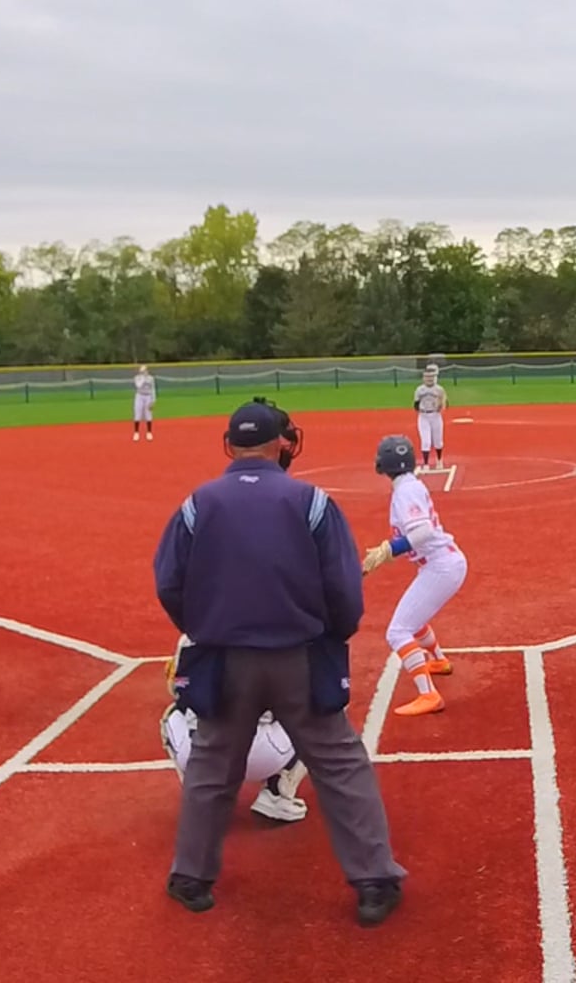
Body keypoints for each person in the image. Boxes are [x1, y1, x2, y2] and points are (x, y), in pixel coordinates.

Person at [153, 397, 405, 925]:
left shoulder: (199, 503)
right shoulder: (311, 501)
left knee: (211, 766)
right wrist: (332, 634)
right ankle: (374, 881)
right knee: (339, 762)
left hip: (223, 659)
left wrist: (202, 627)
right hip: (299, 656)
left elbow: (169, 581)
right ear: (281, 443)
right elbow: (344, 588)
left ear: (230, 445)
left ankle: (191, 876)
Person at [362, 435, 462, 717]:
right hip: (441, 564)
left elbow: (423, 532)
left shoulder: (405, 491)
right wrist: (385, 553)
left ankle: (429, 695)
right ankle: (438, 660)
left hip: (441, 566)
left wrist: (388, 550)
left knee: (397, 631)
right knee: (413, 619)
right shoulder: (409, 486)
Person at [159, 638, 309, 824]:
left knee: (173, 714)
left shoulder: (194, 634)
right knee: (322, 709)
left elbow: (177, 689)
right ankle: (278, 792)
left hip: (201, 752)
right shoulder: (289, 631)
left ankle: (204, 797)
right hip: (264, 753)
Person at [413, 365, 448, 468]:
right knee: (426, 441)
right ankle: (426, 463)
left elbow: (445, 404)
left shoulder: (439, 389)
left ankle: (439, 460)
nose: (429, 379)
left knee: (438, 441)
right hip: (424, 416)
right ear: (423, 378)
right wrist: (420, 409)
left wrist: (441, 405)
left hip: (436, 416)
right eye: (427, 377)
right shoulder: (419, 390)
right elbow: (416, 405)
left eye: (431, 377)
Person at [132, 364, 156, 442]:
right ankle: (136, 433)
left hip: (148, 396)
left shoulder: (151, 378)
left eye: (146, 370)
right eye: (143, 371)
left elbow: (153, 389)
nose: (145, 372)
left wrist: (153, 401)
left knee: (148, 414)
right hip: (139, 396)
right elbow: (138, 386)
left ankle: (149, 432)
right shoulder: (137, 378)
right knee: (137, 413)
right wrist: (143, 378)